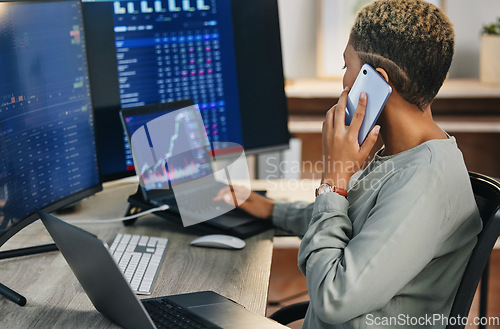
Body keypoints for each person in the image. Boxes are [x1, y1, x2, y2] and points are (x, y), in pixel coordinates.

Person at [215, 0, 482, 328]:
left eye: (347, 67)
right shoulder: (400, 155)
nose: (344, 83)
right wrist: (269, 210)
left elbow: (332, 299)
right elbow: (352, 219)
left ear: (378, 82)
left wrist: (334, 180)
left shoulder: (424, 183)